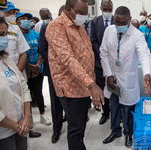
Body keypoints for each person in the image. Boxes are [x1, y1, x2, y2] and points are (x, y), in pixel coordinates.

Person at [45, 0, 105, 149]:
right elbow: (68, 58)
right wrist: (91, 85)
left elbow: (88, 56)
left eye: (86, 13)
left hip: (84, 86)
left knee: (80, 127)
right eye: (80, 12)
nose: (84, 16)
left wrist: (92, 85)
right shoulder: (56, 26)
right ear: (68, 9)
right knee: (76, 130)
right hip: (70, 88)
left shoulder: (80, 27)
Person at [100, 6, 151, 147]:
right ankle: (115, 131)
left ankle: (128, 134)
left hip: (128, 78)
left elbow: (145, 55)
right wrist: (108, 74)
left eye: (122, 23)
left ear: (129, 20)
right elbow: (103, 52)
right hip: (112, 77)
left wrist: (147, 73)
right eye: (116, 22)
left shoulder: (137, 35)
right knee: (114, 106)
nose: (119, 26)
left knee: (127, 109)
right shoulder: (109, 30)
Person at [0, 15, 31, 150]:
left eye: (5, 34)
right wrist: (16, 126)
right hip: (1, 133)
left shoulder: (5, 59)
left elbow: (23, 87)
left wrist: (26, 117)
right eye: (0, 34)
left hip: (21, 125)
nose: (4, 39)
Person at [16, 12, 51, 126]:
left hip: (37, 68)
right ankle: (29, 119)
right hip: (24, 70)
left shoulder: (35, 34)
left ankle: (42, 115)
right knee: (27, 95)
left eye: (28, 19)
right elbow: (20, 54)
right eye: (23, 18)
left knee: (38, 92)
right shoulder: (17, 36)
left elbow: (42, 49)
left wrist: (37, 64)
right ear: (17, 21)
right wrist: (29, 67)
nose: (26, 20)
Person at [39, 4, 66, 144]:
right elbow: (43, 49)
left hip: (70, 72)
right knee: (56, 102)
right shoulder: (47, 27)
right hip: (54, 72)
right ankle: (57, 130)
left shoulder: (73, 29)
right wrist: (56, 64)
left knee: (70, 100)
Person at [90, 0, 114, 125]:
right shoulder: (95, 22)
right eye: (105, 9)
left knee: (114, 88)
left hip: (115, 63)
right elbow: (93, 40)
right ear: (101, 8)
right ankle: (105, 113)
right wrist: (102, 53)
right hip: (99, 62)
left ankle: (115, 112)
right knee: (102, 87)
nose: (108, 12)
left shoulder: (117, 21)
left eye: (109, 9)